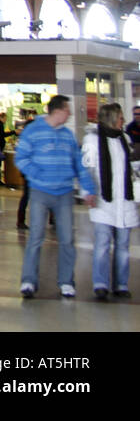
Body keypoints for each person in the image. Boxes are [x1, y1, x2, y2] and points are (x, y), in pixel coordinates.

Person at [15, 95, 98, 299]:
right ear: (57, 111)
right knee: (35, 237)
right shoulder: (33, 131)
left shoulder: (67, 136)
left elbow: (79, 164)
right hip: (40, 192)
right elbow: (21, 158)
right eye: (67, 109)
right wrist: (38, 174)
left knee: (67, 239)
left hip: (64, 193)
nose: (69, 113)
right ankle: (28, 280)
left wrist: (88, 189)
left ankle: (66, 282)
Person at [80, 102, 137, 300]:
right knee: (102, 243)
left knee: (122, 245)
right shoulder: (92, 140)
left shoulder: (125, 139)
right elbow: (87, 169)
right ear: (111, 118)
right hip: (103, 201)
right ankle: (100, 283)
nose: (124, 121)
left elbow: (128, 169)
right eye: (121, 117)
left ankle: (121, 284)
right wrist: (87, 192)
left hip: (124, 201)